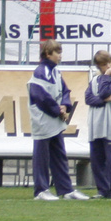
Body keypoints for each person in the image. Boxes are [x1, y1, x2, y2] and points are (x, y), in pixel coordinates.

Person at [28, 38, 87, 200]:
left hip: (54, 120)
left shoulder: (56, 72)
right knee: (42, 157)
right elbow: (40, 96)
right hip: (43, 120)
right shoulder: (40, 72)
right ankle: (41, 190)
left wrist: (65, 106)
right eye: (57, 53)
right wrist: (57, 110)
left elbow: (65, 91)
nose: (60, 56)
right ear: (48, 53)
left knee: (59, 155)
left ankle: (66, 190)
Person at [83, 50, 111, 199]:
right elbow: (88, 99)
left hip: (110, 124)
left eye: (109, 62)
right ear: (98, 66)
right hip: (96, 124)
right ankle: (103, 190)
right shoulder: (94, 80)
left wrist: (106, 78)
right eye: (104, 64)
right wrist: (103, 99)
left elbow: (102, 92)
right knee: (96, 160)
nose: (108, 66)